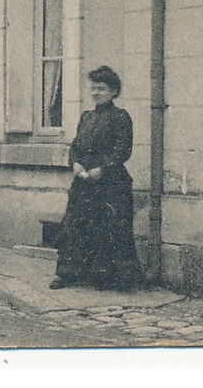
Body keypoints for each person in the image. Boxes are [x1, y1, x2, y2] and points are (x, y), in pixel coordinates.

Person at [51, 66, 145, 292]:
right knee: (75, 226)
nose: (96, 93)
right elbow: (75, 146)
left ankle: (109, 277)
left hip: (111, 183)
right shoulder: (87, 117)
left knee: (110, 228)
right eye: (93, 88)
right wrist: (76, 163)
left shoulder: (121, 117)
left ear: (113, 91)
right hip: (83, 182)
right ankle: (68, 274)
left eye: (101, 88)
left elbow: (123, 150)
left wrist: (103, 169)